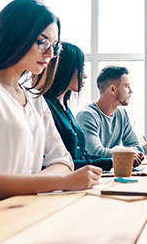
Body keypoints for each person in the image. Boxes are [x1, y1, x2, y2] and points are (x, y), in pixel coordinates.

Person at [0, 0, 101, 215]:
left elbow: (63, 160)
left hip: (18, 213)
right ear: (15, 36)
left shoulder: (35, 100)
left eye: (54, 45)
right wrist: (61, 182)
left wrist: (43, 182)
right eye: (42, 42)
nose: (50, 54)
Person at [44, 42, 113, 171]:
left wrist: (115, 162)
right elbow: (63, 164)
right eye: (82, 68)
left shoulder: (65, 109)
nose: (85, 75)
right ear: (66, 69)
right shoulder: (46, 107)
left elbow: (83, 158)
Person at [76, 66, 147, 165]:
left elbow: (133, 145)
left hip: (116, 172)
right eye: (127, 86)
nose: (131, 91)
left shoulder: (121, 113)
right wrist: (143, 149)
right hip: (96, 175)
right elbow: (96, 152)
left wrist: (136, 152)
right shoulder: (87, 116)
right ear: (112, 89)